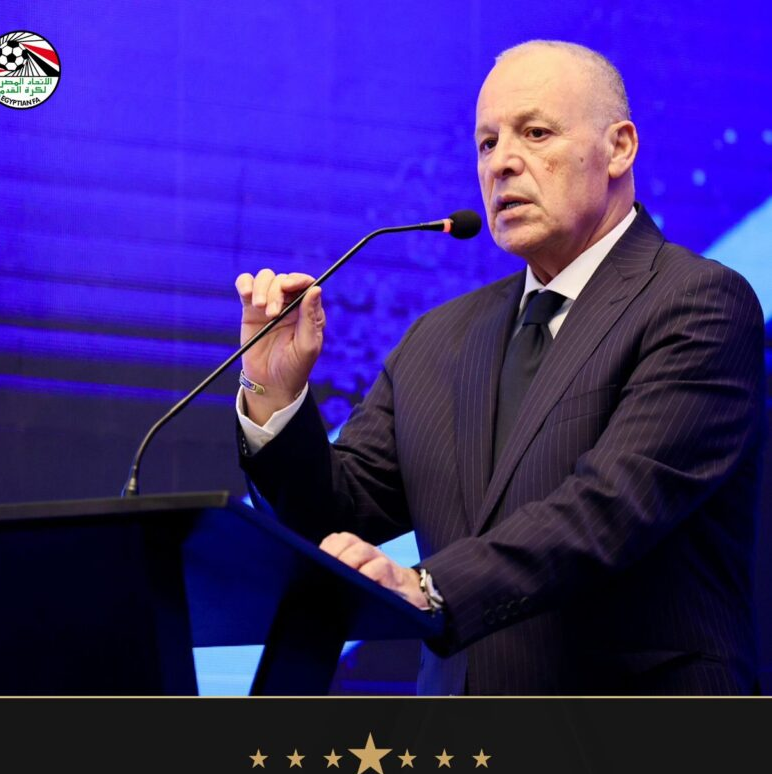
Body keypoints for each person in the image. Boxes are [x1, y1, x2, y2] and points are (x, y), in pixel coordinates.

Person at [234, 40, 765, 695]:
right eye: (486, 144)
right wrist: (275, 395)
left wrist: (431, 588)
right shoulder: (439, 339)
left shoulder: (697, 303)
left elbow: (611, 507)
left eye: (535, 133)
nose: (502, 163)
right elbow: (336, 517)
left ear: (619, 148)